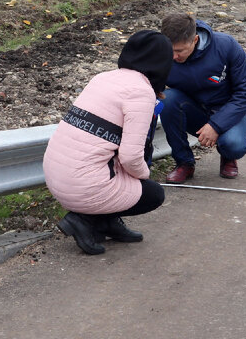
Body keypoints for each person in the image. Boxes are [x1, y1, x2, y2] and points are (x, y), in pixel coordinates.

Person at [43, 30, 173, 255]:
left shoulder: (103, 77)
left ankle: (107, 222)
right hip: (82, 187)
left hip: (55, 177)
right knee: (153, 193)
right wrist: (143, 176)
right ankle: (83, 220)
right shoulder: (141, 93)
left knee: (119, 170)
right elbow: (132, 157)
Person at [158, 12, 246, 183]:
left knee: (234, 145)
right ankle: (184, 163)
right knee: (166, 99)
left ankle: (227, 155)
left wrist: (216, 125)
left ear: (195, 40)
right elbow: (148, 89)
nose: (173, 57)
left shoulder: (226, 46)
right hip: (193, 109)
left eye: (179, 51)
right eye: (169, 50)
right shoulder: (160, 54)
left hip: (227, 109)